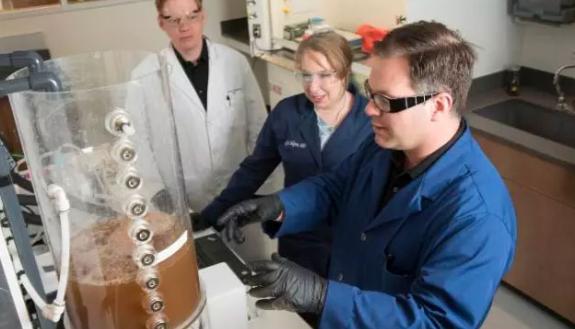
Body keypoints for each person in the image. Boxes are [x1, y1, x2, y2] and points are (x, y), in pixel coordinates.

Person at [216, 21, 517, 329]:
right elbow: (334, 187)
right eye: (370, 94)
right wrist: (279, 206)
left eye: (385, 100)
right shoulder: (384, 148)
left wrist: (322, 297)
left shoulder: (477, 216)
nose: (370, 110)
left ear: (438, 105)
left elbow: (437, 322)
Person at [202, 31, 371, 279]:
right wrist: (214, 214)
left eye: (324, 75)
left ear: (344, 72)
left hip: (350, 244)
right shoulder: (287, 114)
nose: (313, 87)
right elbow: (254, 169)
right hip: (297, 236)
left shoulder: (371, 121)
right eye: (305, 75)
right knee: (296, 315)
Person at [152, 0, 273, 211]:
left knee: (244, 243)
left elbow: (259, 127)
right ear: (161, 23)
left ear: (203, 16)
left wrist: (261, 188)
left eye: (191, 16)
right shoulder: (147, 75)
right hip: (185, 200)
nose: (184, 27)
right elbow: (140, 142)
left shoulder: (235, 62)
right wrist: (158, 193)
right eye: (174, 20)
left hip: (239, 191)